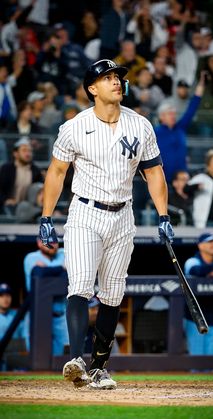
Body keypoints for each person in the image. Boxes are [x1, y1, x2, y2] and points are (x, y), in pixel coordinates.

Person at [38, 58, 174, 390]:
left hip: (123, 215)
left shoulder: (140, 125)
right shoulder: (73, 126)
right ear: (92, 88)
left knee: (113, 294)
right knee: (81, 285)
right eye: (108, 77)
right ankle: (76, 359)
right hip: (84, 212)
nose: (116, 82)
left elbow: (154, 171)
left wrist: (164, 214)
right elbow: (57, 172)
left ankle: (99, 368)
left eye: (118, 77)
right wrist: (45, 216)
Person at [153, 72, 205, 184]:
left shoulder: (180, 127)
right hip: (163, 180)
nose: (173, 116)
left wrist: (200, 86)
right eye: (169, 114)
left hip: (181, 179)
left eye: (174, 114)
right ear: (162, 116)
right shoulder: (155, 132)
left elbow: (192, 108)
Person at [23, 237, 69, 356]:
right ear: (39, 243)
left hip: (60, 315)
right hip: (38, 314)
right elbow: (38, 273)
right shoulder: (31, 258)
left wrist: (46, 270)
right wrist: (60, 269)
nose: (53, 245)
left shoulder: (64, 254)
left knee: (65, 355)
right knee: (37, 356)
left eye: (55, 242)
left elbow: (67, 277)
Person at [0, 137, 43, 215]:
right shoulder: (6, 169)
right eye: (24, 150)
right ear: (15, 153)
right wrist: (5, 200)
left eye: (30, 151)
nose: (28, 153)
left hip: (27, 209)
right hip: (7, 207)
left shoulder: (35, 170)